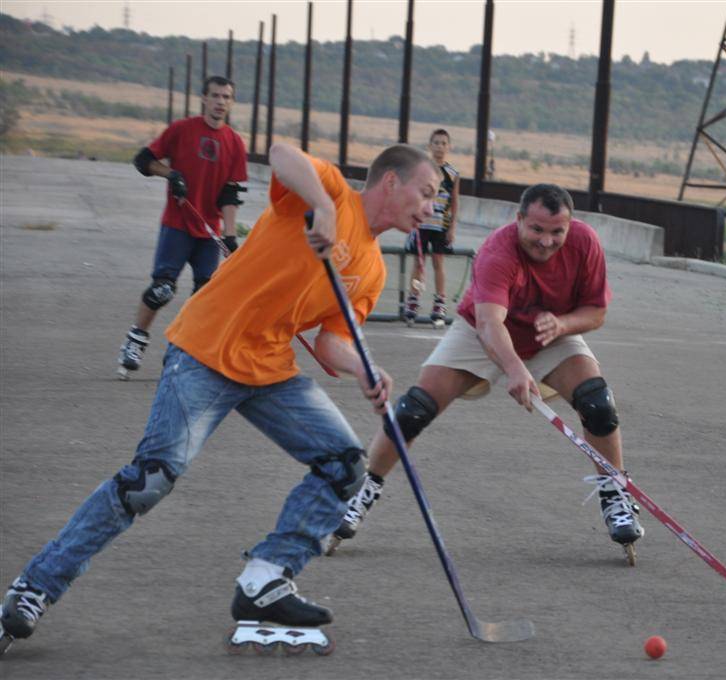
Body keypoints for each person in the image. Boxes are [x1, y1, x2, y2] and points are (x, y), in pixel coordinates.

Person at [0, 142, 439, 651]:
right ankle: (33, 588)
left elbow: (331, 342)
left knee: (345, 464)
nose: (431, 206)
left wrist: (366, 369)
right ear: (390, 182)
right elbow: (280, 154)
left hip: (269, 368)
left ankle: (266, 578)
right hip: (204, 351)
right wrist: (319, 203)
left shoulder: (373, 269)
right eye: (426, 192)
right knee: (150, 480)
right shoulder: (332, 195)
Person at [324, 183, 645, 558]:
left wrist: (562, 325)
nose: (546, 241)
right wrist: (514, 369)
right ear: (519, 219)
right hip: (482, 331)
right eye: (536, 230)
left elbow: (596, 312)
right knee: (413, 410)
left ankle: (614, 493)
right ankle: (364, 490)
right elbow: (490, 323)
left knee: (597, 403)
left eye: (557, 231)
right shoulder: (498, 250)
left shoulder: (585, 244)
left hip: (549, 332)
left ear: (570, 226)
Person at [117, 75, 248, 380]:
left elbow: (231, 193)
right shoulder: (182, 130)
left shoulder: (234, 142)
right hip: (177, 225)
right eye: (215, 96)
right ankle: (135, 341)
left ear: (231, 103)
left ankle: (179, 352)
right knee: (162, 289)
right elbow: (143, 160)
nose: (220, 102)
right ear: (204, 99)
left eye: (226, 97)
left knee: (204, 299)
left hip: (209, 230)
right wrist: (170, 174)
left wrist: (230, 237)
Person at [403, 128, 459, 327]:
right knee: (419, 263)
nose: (440, 147)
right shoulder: (422, 169)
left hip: (440, 225)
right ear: (429, 146)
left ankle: (439, 302)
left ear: (449, 147)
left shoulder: (452, 174)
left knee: (438, 263)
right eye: (436, 143)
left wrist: (452, 228)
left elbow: (454, 203)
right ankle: (413, 299)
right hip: (421, 223)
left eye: (444, 143)